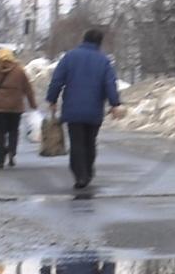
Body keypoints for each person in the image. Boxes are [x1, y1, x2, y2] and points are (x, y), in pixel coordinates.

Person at [41, 28, 123, 199]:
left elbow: (57, 80)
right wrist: (114, 104)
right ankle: (88, 171)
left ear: (83, 39)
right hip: (94, 110)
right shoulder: (104, 61)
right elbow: (110, 84)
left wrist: (52, 99)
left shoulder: (69, 57)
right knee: (90, 141)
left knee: (77, 142)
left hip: (73, 108)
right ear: (99, 42)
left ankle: (80, 175)